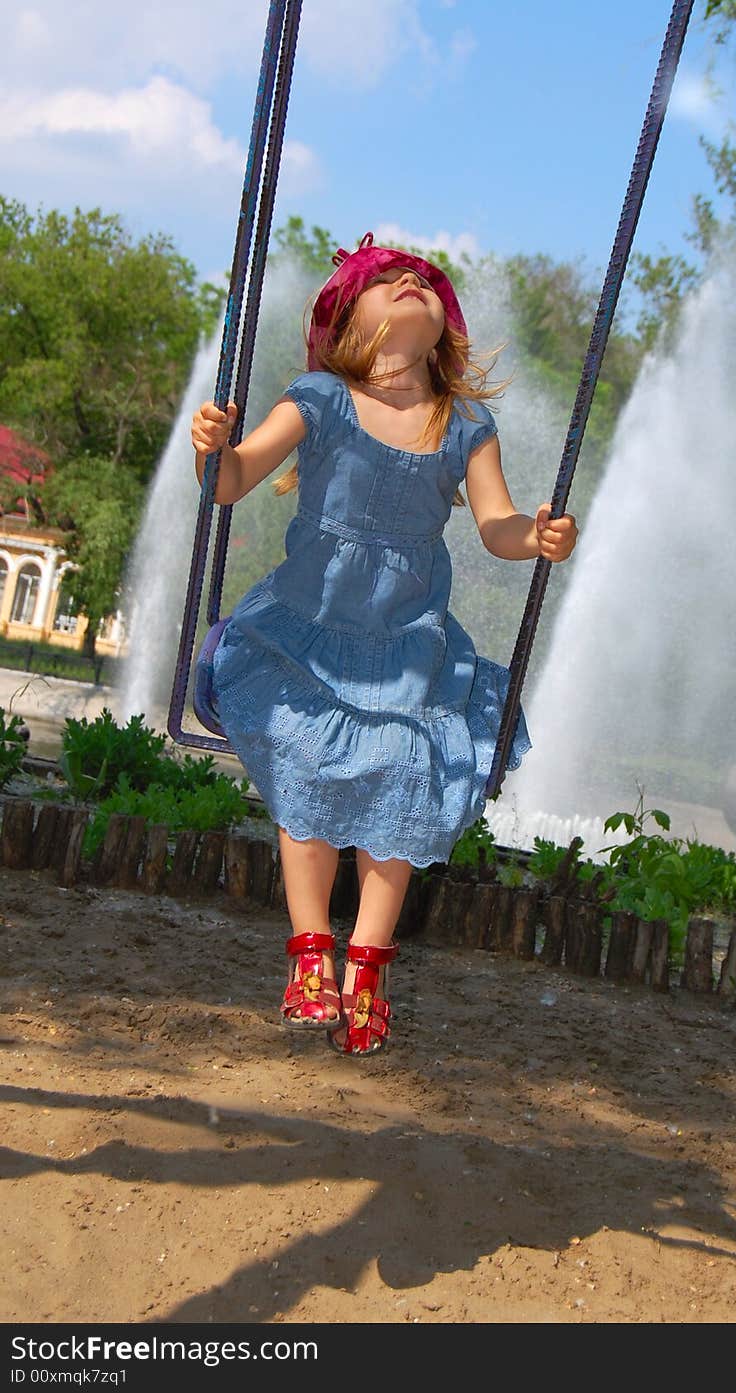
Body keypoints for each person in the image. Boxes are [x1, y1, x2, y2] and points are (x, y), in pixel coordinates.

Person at [191, 233, 578, 1057]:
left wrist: (535, 534)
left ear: (444, 326)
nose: (411, 283)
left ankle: (367, 959)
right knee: (304, 763)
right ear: (349, 321)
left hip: (405, 643)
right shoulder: (321, 396)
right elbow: (231, 483)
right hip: (308, 631)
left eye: (425, 282)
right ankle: (309, 953)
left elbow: (495, 525)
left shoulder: (464, 421)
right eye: (388, 279)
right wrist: (211, 449)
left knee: (403, 779)